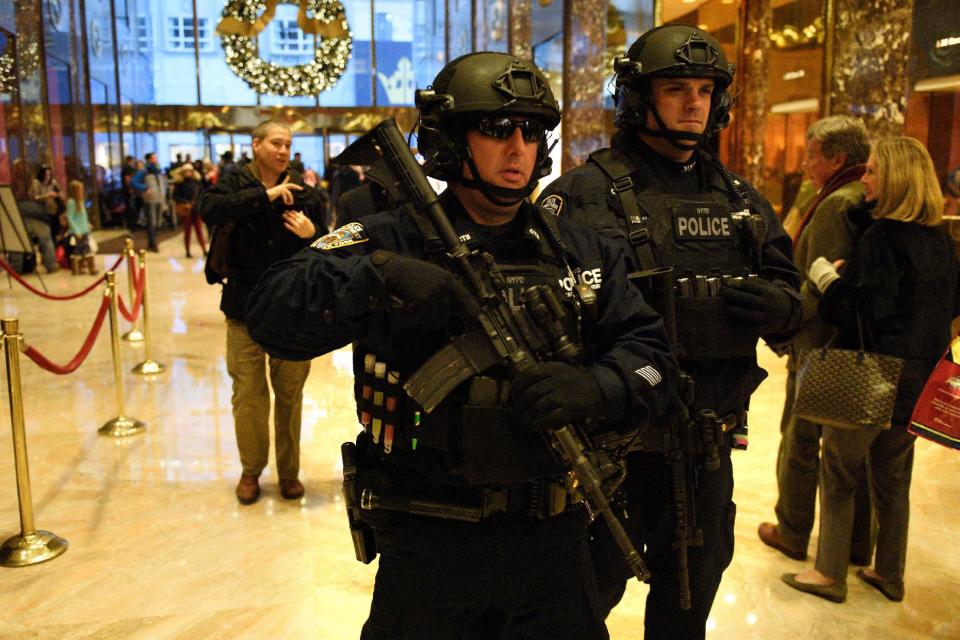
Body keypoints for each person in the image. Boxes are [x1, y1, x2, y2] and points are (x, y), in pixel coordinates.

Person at [245, 52, 678, 639]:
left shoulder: (581, 247)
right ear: (450, 143)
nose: (518, 146)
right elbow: (270, 312)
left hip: (552, 542)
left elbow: (653, 359)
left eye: (531, 130)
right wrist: (376, 276)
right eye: (497, 129)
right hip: (429, 544)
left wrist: (597, 387)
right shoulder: (390, 236)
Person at [537, 25, 802, 639]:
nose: (694, 103)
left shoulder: (740, 200)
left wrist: (780, 308)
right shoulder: (582, 193)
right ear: (637, 98)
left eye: (706, 90)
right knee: (574, 608)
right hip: (612, 452)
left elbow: (795, 299)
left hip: (706, 450)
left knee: (686, 613)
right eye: (676, 88)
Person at [782, 137, 960, 603]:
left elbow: (862, 313)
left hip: (873, 378)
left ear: (896, 179)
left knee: (839, 474)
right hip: (921, 382)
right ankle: (889, 573)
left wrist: (827, 279)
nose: (864, 177)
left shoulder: (883, 239)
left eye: (874, 171)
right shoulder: (941, 242)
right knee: (893, 481)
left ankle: (829, 575)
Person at [758, 116, 875, 566]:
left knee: (801, 438)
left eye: (812, 155)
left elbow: (817, 275)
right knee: (851, 453)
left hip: (822, 342)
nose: (805, 164)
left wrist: (787, 324)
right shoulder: (865, 195)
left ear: (837, 158)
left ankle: (791, 529)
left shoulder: (836, 203)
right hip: (857, 341)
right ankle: (857, 544)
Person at [196, 120, 325, 505]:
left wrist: (311, 235)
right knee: (248, 395)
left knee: (290, 394)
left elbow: (330, 236)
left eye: (287, 144)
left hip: (290, 308)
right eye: (275, 143)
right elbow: (210, 209)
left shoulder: (303, 185)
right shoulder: (235, 182)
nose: (283, 150)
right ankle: (251, 470)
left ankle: (289, 473)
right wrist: (267, 196)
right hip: (243, 308)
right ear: (256, 144)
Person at [131, 152, 167, 251]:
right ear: (149, 159)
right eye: (154, 157)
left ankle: (153, 243)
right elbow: (134, 182)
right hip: (150, 200)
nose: (156, 159)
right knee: (152, 223)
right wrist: (145, 188)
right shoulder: (144, 171)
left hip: (159, 199)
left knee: (158, 222)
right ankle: (153, 243)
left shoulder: (159, 171)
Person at [172, 163, 205, 258]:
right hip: (185, 209)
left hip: (196, 209)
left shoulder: (197, 182)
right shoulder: (179, 183)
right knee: (187, 231)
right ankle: (188, 251)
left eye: (189, 171)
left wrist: (197, 203)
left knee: (199, 230)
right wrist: (185, 202)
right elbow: (175, 196)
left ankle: (204, 249)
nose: (188, 173)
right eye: (186, 171)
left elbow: (202, 194)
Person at [65, 180, 97, 275]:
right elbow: (70, 217)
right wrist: (76, 230)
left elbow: (82, 216)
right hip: (78, 231)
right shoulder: (71, 202)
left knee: (86, 248)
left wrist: (87, 224)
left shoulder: (80, 201)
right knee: (79, 249)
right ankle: (77, 268)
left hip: (84, 229)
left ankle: (87, 267)